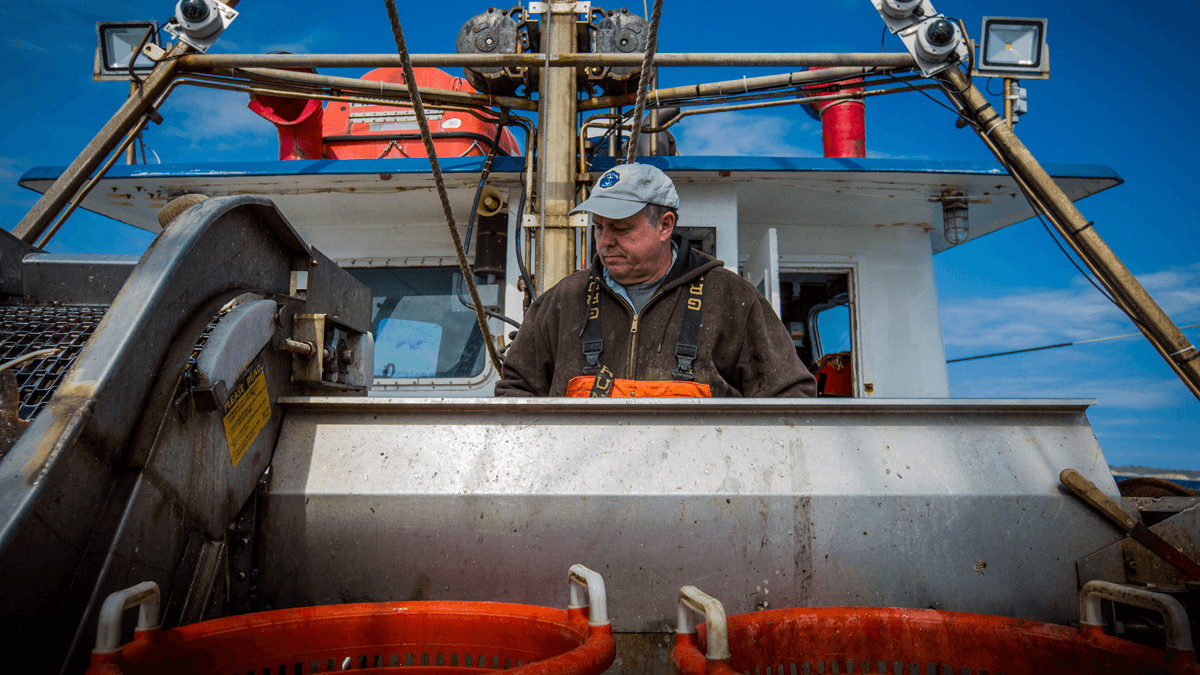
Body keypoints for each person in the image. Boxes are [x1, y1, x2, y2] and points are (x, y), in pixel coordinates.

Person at [495, 163, 816, 398]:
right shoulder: (563, 300)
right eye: (598, 227)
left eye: (619, 228)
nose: (604, 241)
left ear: (665, 226)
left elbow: (790, 398)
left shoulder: (733, 298)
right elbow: (516, 394)